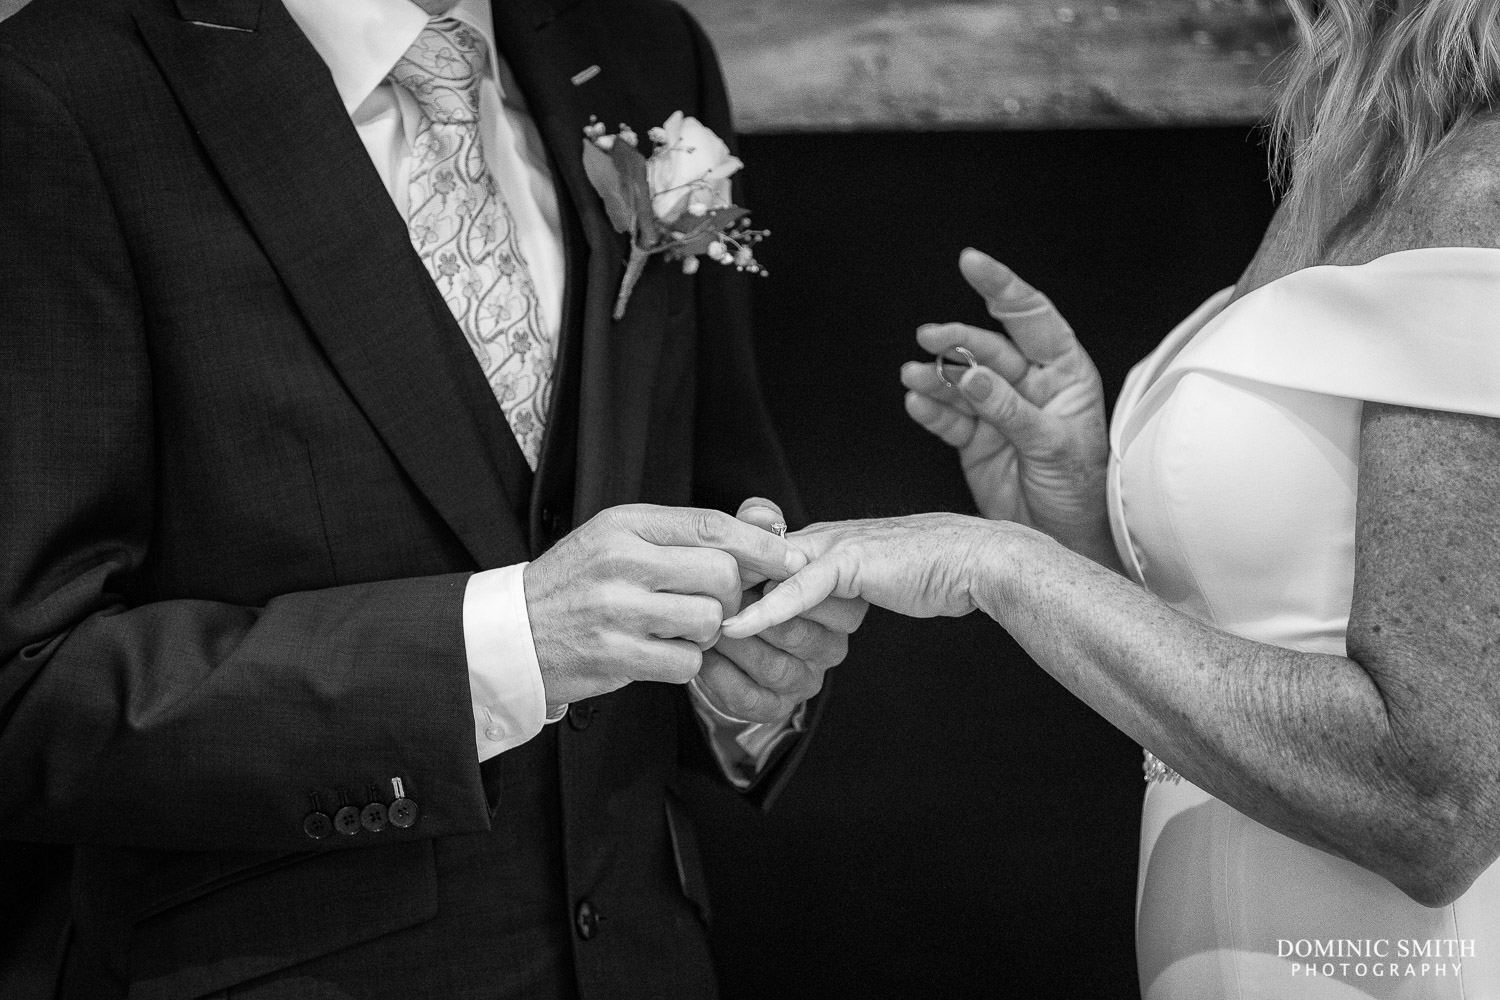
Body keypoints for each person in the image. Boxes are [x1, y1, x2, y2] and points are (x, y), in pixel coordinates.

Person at [0, 0, 865, 997]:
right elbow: (29, 690)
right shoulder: (65, 91)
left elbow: (722, 474)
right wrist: (502, 646)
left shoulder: (643, 49)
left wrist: (739, 677)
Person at [723, 3, 1500, 997]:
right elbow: (1260, 665)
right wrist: (1081, 520)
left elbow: (1435, 801)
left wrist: (1004, 567)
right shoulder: (1355, 150)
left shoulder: (1478, 181)